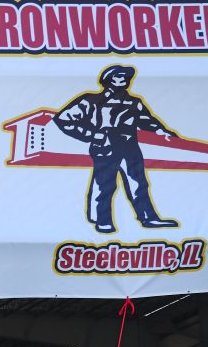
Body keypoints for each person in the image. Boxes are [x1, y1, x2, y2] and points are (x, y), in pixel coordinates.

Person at [51, 65, 183, 233]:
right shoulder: (91, 100)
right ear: (107, 80)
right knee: (105, 184)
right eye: (117, 76)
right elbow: (63, 119)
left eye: (125, 77)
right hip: (105, 147)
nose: (122, 79)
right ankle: (102, 220)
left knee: (139, 184)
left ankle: (148, 218)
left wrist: (163, 132)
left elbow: (148, 122)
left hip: (130, 148)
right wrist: (93, 135)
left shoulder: (133, 103)